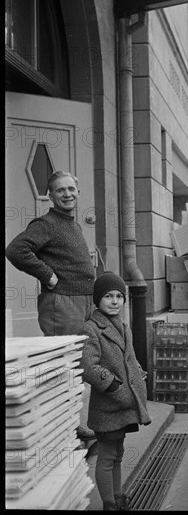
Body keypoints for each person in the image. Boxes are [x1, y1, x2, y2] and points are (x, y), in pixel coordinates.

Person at [5, 170, 96, 441]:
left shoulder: (72, 224)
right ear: (51, 195)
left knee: (77, 365)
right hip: (62, 304)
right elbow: (15, 250)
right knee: (63, 367)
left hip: (81, 302)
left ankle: (69, 424)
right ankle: (61, 429)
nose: (67, 194)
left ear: (78, 192)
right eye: (60, 190)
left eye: (71, 189)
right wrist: (47, 274)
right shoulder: (46, 223)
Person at [77, 271, 151, 511]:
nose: (115, 301)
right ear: (97, 300)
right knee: (107, 457)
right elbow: (88, 366)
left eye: (119, 296)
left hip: (125, 405)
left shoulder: (123, 326)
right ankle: (110, 504)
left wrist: (137, 372)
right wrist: (114, 385)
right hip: (109, 405)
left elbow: (129, 358)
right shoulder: (91, 328)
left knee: (118, 454)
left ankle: (118, 497)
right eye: (108, 296)